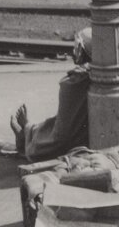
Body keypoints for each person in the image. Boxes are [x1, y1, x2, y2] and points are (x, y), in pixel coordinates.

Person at [10, 28, 92, 162]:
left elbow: (61, 136)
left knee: (57, 128)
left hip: (72, 144)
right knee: (55, 122)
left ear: (82, 50)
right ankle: (28, 130)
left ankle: (27, 133)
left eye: (76, 48)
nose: (73, 53)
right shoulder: (92, 75)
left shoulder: (73, 83)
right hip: (85, 134)